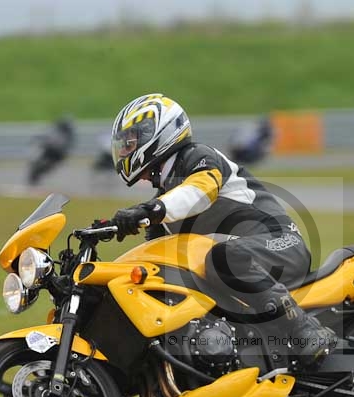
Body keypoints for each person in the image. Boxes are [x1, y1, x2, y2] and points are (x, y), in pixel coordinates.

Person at [104, 93, 335, 367]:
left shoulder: (198, 158)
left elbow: (197, 193)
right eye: (124, 146)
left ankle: (304, 330)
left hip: (280, 244)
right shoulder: (165, 200)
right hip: (244, 265)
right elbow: (155, 257)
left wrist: (148, 210)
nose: (124, 152)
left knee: (223, 256)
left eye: (130, 143)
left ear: (157, 133)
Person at [27, 116, 76, 186]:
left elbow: (69, 148)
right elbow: (44, 137)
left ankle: (42, 171)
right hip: (49, 149)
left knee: (53, 165)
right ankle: (36, 168)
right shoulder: (55, 130)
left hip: (58, 153)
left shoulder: (69, 136)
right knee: (38, 158)